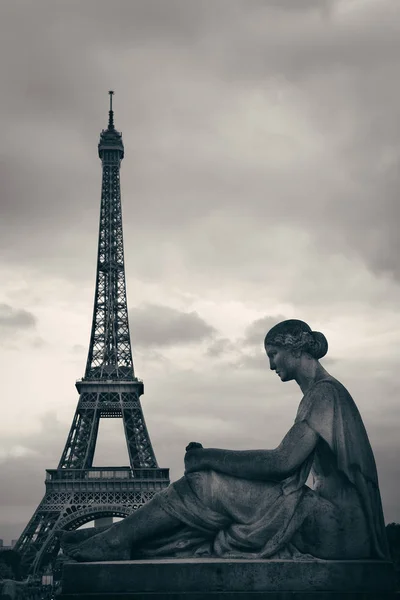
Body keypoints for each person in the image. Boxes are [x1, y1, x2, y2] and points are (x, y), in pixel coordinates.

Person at [61, 319, 389, 562]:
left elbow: (281, 463)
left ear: (293, 348)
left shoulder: (324, 393)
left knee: (204, 483)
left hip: (335, 528)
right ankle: (120, 537)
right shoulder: (323, 393)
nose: (270, 364)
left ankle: (117, 540)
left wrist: (209, 457)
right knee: (212, 500)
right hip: (329, 520)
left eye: (273, 354)